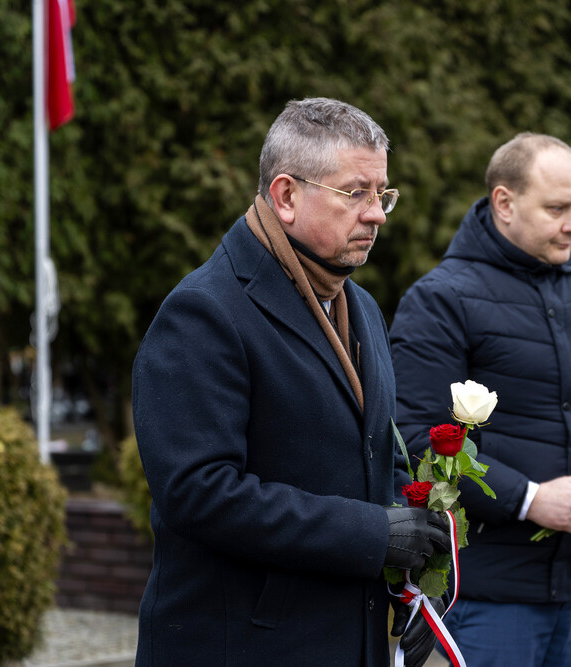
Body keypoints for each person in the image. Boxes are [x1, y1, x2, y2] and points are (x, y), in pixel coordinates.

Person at [131, 98, 451, 666]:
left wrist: (413, 569)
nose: (376, 213)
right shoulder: (204, 312)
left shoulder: (363, 307)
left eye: (383, 194)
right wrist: (373, 535)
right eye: (357, 193)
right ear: (285, 196)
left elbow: (378, 457)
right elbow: (199, 493)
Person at [390, 133, 571, 667]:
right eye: (557, 208)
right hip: (490, 591)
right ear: (504, 204)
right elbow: (417, 443)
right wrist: (530, 498)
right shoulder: (440, 301)